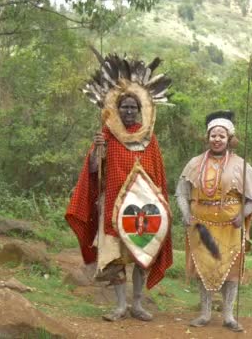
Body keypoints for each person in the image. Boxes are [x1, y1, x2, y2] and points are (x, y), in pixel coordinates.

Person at [66, 53, 172, 322]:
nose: (127, 111)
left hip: (143, 211)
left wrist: (161, 204)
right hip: (112, 206)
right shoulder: (106, 135)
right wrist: (97, 152)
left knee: (141, 255)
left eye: (132, 108)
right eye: (123, 107)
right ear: (116, 108)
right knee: (115, 258)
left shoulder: (149, 138)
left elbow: (158, 176)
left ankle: (137, 304)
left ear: (140, 110)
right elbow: (92, 172)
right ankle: (120, 306)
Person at [176, 110, 252, 332]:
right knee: (203, 269)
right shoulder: (194, 163)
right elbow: (181, 192)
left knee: (231, 272)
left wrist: (241, 215)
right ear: (208, 137)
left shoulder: (241, 165)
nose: (217, 139)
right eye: (213, 135)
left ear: (229, 139)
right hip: (201, 227)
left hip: (230, 228)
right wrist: (186, 214)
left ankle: (228, 316)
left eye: (221, 136)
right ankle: (204, 313)